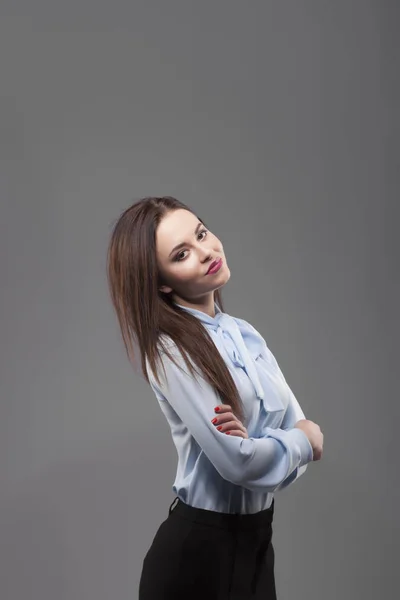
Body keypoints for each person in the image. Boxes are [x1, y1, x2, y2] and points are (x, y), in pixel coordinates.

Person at [107, 196, 324, 599]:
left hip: (258, 544)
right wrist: (293, 443)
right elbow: (244, 461)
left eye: (202, 234)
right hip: (198, 557)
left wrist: (272, 447)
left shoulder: (245, 335)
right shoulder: (171, 352)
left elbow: (296, 447)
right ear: (162, 282)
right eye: (182, 254)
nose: (206, 252)